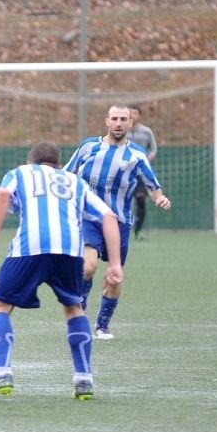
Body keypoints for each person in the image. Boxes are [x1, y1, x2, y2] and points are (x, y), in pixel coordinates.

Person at [0, 142, 123, 401]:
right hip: (70, 250)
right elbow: (108, 217)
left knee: (0, 306)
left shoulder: (20, 172)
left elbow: (3, 196)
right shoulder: (75, 181)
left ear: (31, 162)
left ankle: (1, 373)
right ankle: (84, 379)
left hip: (31, 247)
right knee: (74, 308)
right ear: (58, 165)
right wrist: (115, 263)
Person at [64, 104, 171, 340]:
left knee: (114, 277)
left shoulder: (137, 154)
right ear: (107, 121)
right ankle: (80, 316)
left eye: (124, 119)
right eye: (115, 118)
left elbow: (154, 187)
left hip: (119, 222)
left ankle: (102, 325)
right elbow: (66, 176)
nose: (119, 123)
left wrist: (160, 198)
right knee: (87, 266)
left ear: (131, 123)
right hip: (88, 218)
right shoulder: (88, 146)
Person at [125, 106, 158, 240]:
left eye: (135, 113)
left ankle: (138, 231)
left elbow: (153, 149)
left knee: (140, 201)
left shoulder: (146, 132)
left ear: (139, 116)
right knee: (122, 202)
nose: (133, 115)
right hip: (124, 172)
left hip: (140, 174)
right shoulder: (122, 131)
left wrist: (147, 159)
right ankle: (122, 230)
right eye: (130, 113)